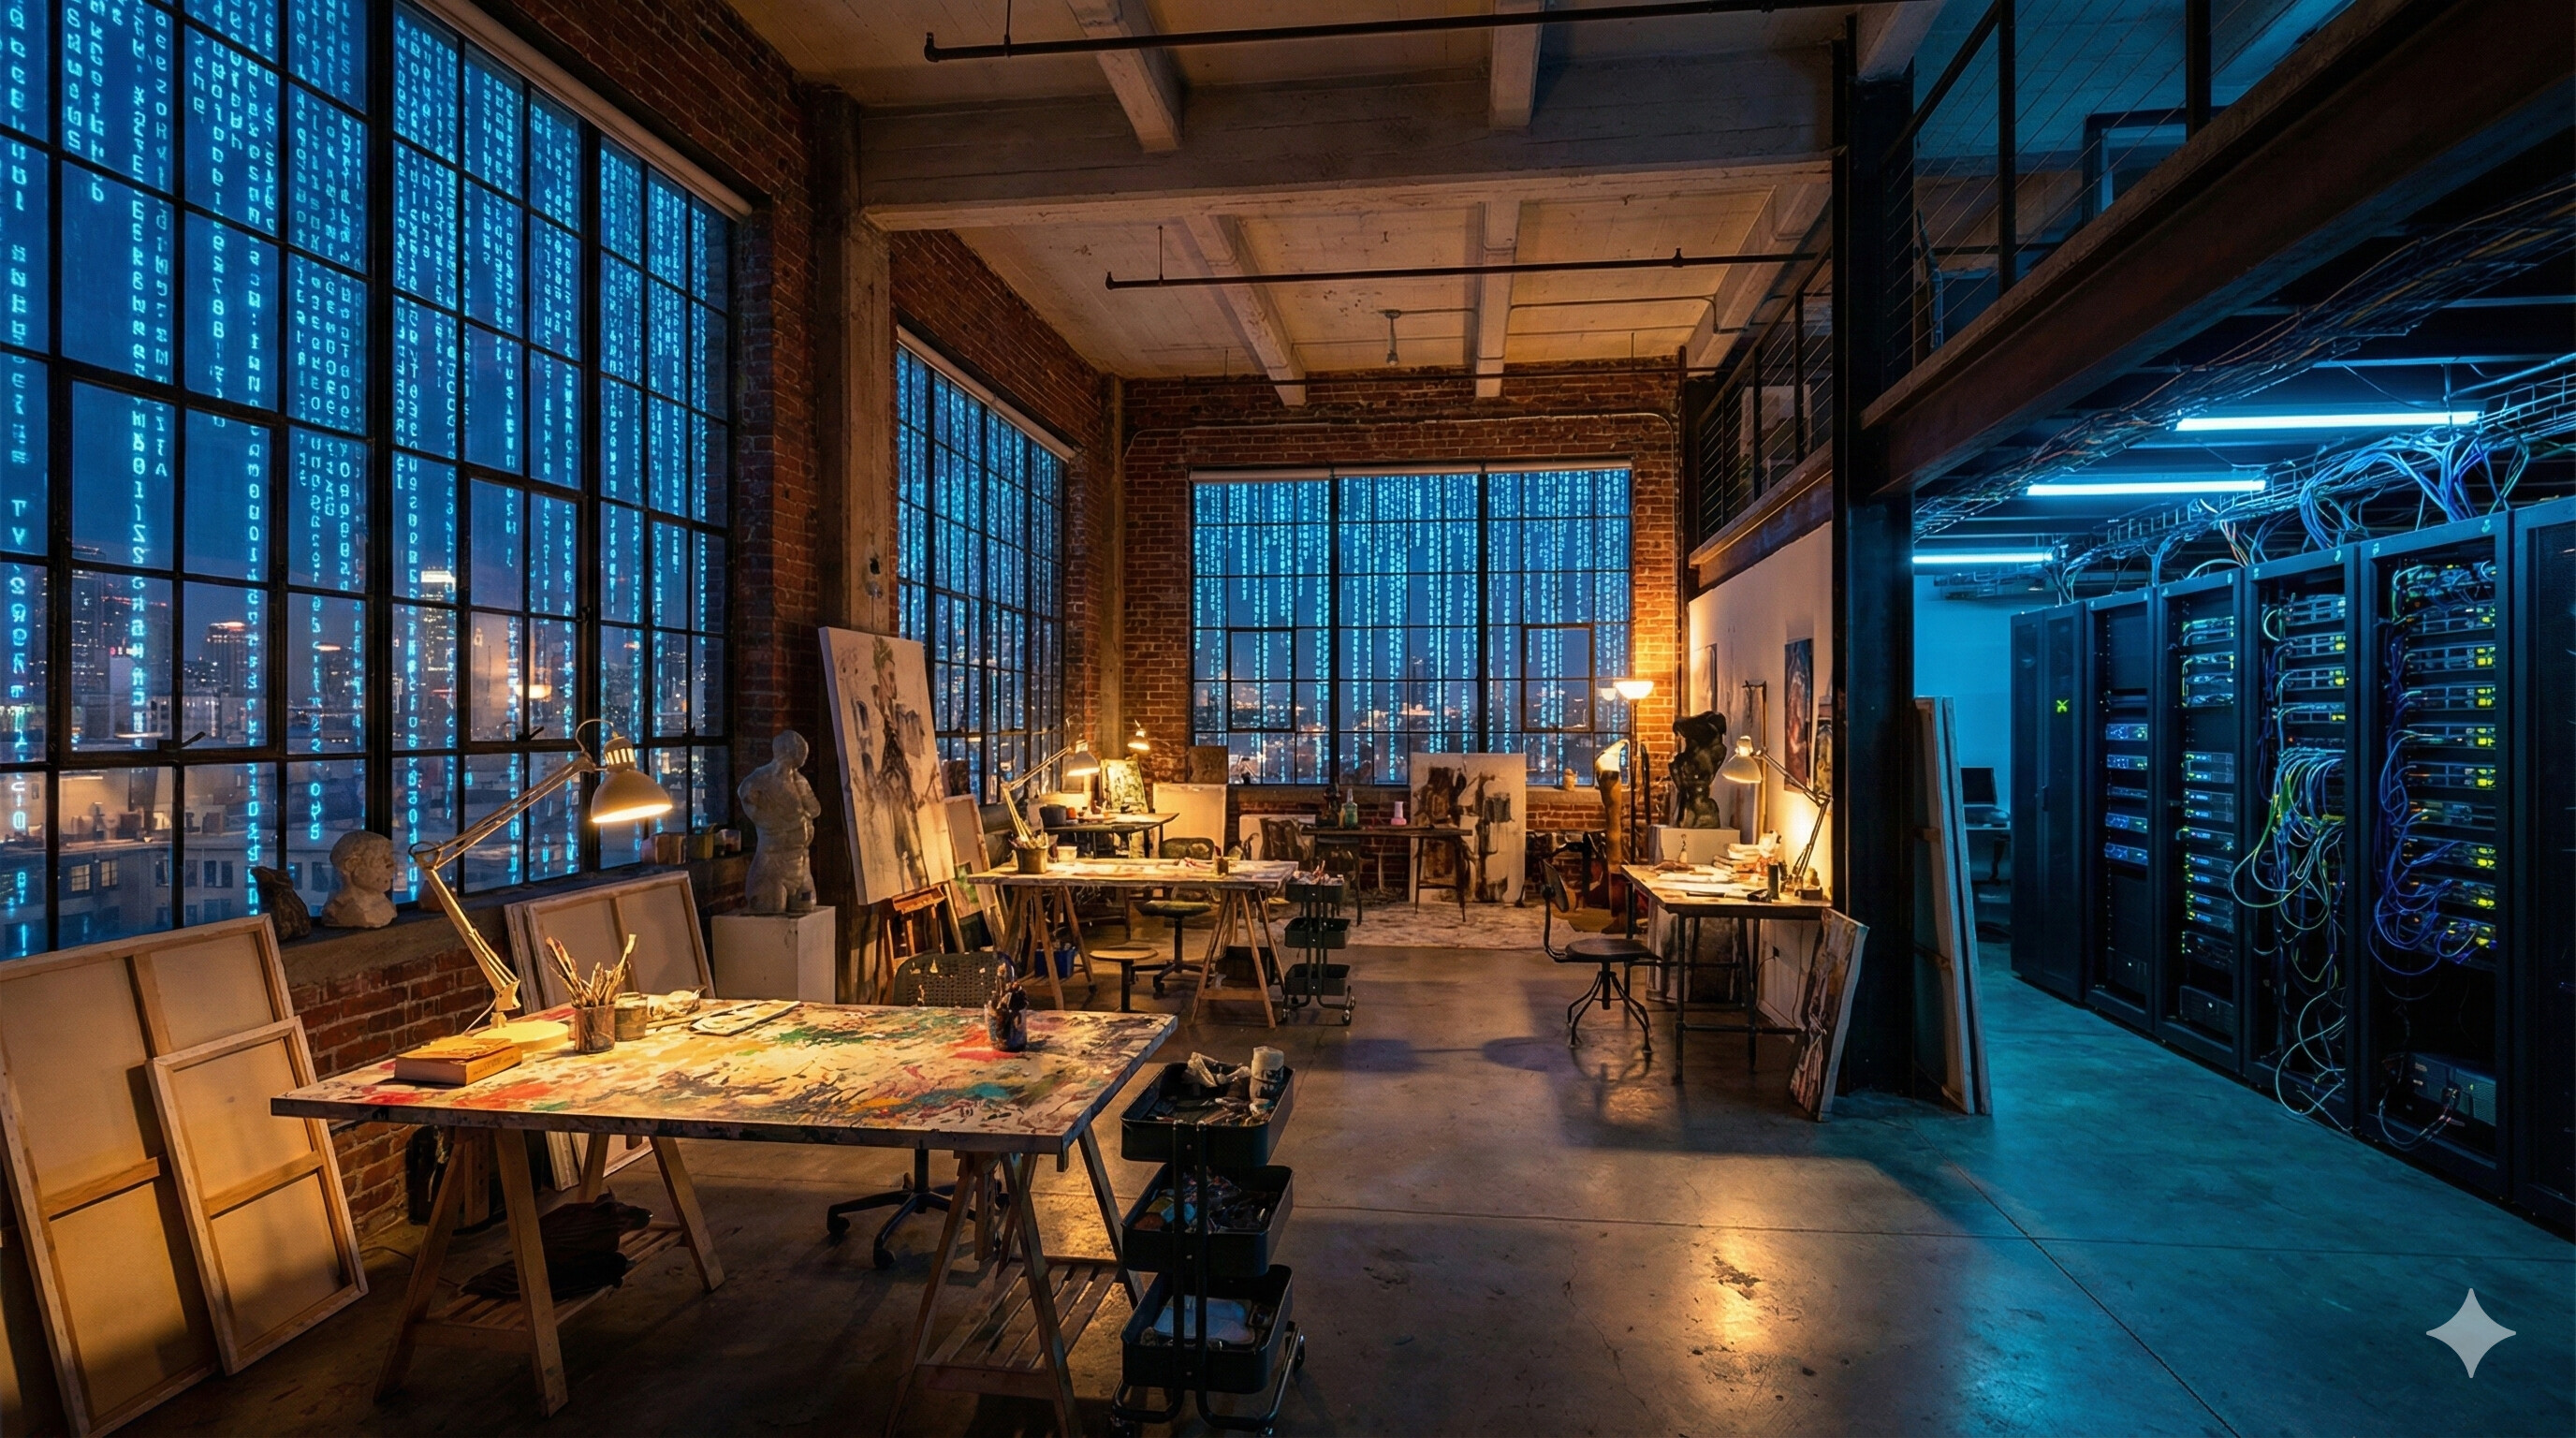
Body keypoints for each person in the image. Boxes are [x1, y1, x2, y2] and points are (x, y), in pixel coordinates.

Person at [739, 730, 822, 914]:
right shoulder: (761, 779)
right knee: (772, 909)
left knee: (806, 907)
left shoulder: (800, 781)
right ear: (787, 751)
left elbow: (815, 809)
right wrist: (784, 821)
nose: (803, 756)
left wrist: (801, 805)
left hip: (801, 863)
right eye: (800, 750)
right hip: (774, 864)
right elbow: (747, 797)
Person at [319, 830, 398, 929]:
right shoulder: (339, 909)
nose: (392, 866)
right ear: (351, 865)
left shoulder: (383, 904)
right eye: (379, 860)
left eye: (390, 858)